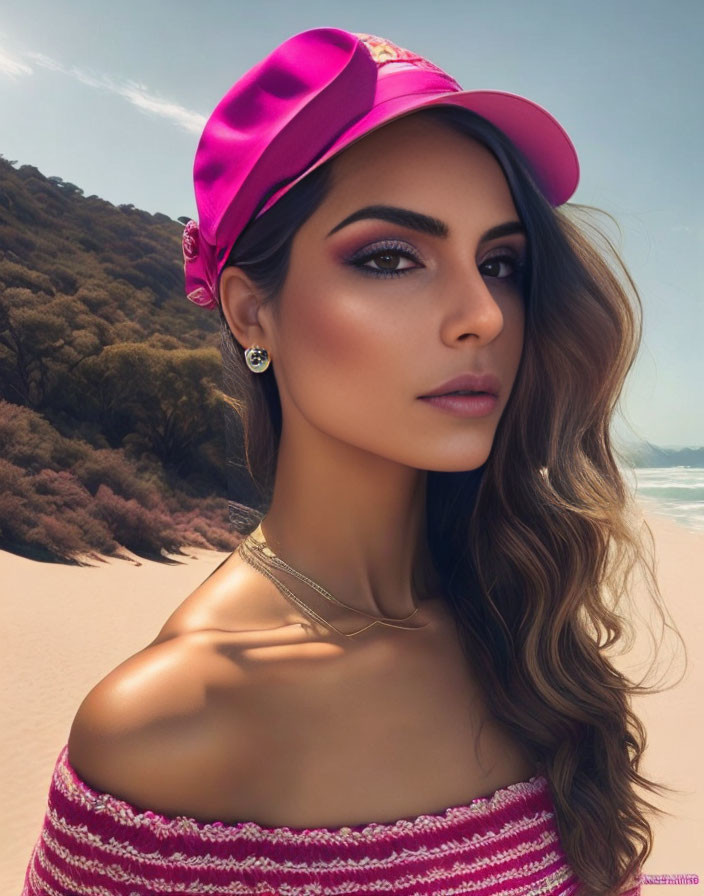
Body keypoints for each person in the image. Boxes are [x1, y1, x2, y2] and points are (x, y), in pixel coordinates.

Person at [22, 26, 671, 896]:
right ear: (252, 314)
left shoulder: (521, 621)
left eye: (501, 262)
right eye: (392, 258)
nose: (482, 314)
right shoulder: (170, 725)